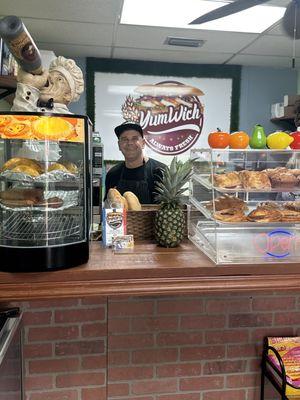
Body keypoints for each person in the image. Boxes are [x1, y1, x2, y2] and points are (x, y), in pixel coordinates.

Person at [104, 121, 166, 204]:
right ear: (119, 145)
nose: (130, 143)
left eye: (135, 138)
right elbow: (108, 207)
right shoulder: (113, 174)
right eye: (125, 139)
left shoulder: (160, 171)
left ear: (143, 143)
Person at [11, 56, 84, 114]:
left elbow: (22, 125)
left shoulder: (68, 120)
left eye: (59, 79)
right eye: (50, 75)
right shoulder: (33, 106)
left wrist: (28, 85)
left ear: (67, 95)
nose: (50, 79)